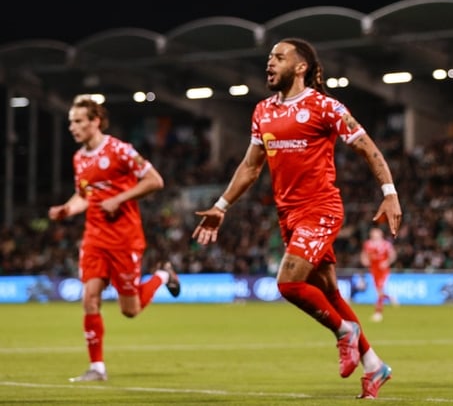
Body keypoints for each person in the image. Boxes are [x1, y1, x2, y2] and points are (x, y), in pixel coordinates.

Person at [191, 37, 401, 399]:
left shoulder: (325, 107)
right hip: (287, 214)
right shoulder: (262, 111)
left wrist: (390, 193)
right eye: (269, 57)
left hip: (320, 208)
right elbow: (250, 167)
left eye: (279, 57)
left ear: (301, 67)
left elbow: (367, 148)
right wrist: (221, 206)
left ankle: (345, 332)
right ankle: (374, 365)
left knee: (288, 284)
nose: (270, 63)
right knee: (328, 293)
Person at [48, 95, 181, 383]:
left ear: (95, 121)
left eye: (78, 121)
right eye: (71, 122)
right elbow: (84, 196)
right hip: (94, 238)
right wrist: (67, 209)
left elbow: (155, 181)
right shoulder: (79, 158)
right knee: (89, 298)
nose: (72, 127)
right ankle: (97, 368)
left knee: (130, 310)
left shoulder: (120, 150)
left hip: (124, 238)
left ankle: (162, 274)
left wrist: (120, 198)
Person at [360, 226, 398, 322]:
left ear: (380, 234)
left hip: (383, 270)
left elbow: (393, 255)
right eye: (373, 234)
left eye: (376, 233)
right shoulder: (368, 244)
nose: (374, 235)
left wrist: (387, 262)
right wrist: (364, 260)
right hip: (373, 269)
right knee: (378, 291)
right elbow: (364, 254)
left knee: (380, 290)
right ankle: (390, 297)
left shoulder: (386, 244)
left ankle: (378, 313)